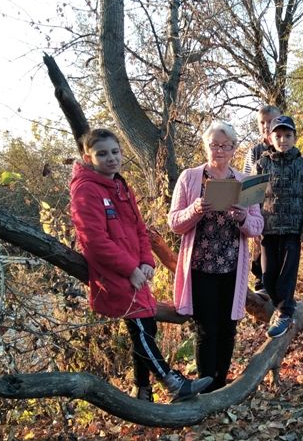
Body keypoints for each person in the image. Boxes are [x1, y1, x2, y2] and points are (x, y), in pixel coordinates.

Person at [70, 128, 212, 403]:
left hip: (136, 272)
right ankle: (173, 383)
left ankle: (142, 390)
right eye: (102, 154)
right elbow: (94, 241)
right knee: (141, 330)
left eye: (115, 152)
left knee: (146, 328)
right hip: (114, 275)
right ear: (88, 157)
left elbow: (138, 228)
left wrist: (146, 261)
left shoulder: (120, 186)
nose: (111, 158)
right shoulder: (86, 190)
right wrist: (130, 269)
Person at [169, 121, 264, 393]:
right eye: (214, 145)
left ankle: (221, 385)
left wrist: (244, 217)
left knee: (228, 329)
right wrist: (196, 209)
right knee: (206, 330)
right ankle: (206, 387)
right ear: (205, 146)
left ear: (234, 148)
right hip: (199, 268)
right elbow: (174, 223)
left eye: (225, 145)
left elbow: (258, 226)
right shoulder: (190, 177)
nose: (219, 150)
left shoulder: (244, 182)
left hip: (232, 268)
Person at [256, 115, 303, 338]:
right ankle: (281, 307)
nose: (283, 140)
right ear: (270, 138)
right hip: (268, 228)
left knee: (286, 276)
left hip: (293, 230)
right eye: (278, 136)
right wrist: (253, 224)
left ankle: (285, 312)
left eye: (287, 135)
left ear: (294, 137)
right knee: (267, 277)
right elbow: (253, 196)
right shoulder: (262, 164)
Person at [243, 105, 281, 295]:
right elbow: (247, 184)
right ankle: (262, 287)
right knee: (262, 251)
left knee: (282, 254)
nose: (266, 126)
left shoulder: (287, 146)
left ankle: (281, 290)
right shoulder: (255, 152)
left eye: (271, 122)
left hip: (282, 213)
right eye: (262, 123)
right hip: (260, 212)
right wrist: (251, 216)